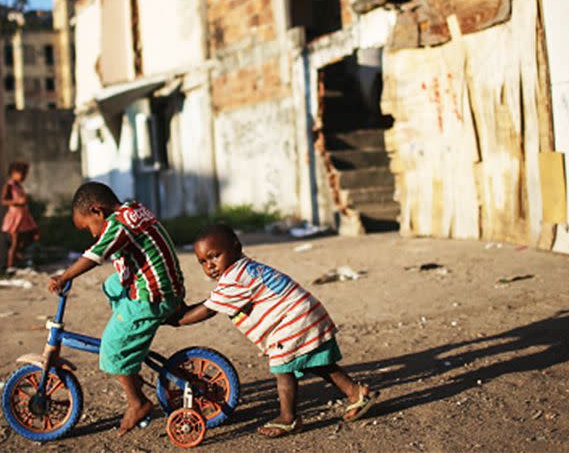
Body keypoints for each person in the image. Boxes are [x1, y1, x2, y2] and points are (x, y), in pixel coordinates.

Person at [169, 223, 376, 438]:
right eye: (203, 262)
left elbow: (209, 309)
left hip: (293, 320)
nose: (210, 266)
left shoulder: (234, 278)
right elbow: (212, 302)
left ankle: (289, 418)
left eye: (214, 256)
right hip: (304, 312)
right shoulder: (244, 268)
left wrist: (178, 320)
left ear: (236, 248)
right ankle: (355, 392)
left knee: (282, 368)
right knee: (316, 361)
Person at [47, 182, 185, 436]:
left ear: (97, 211)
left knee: (111, 348)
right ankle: (130, 338)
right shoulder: (132, 209)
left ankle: (138, 403)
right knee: (111, 285)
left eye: (88, 226)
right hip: (166, 284)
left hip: (153, 295)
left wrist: (65, 276)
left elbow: (94, 255)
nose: (91, 233)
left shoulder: (119, 225)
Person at [1, 160, 40, 270]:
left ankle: (18, 260)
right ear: (14, 173)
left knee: (29, 238)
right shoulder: (9, 186)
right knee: (15, 242)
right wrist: (18, 202)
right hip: (15, 217)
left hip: (23, 216)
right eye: (22, 174)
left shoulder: (19, 186)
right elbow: (4, 201)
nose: (24, 177)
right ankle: (10, 266)